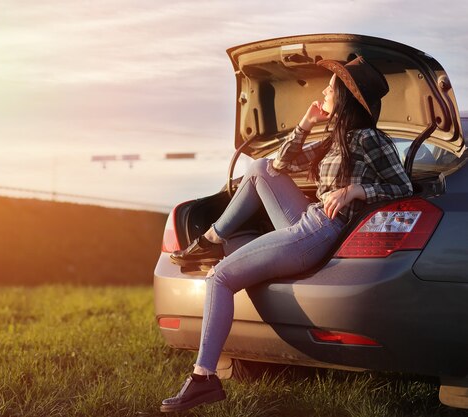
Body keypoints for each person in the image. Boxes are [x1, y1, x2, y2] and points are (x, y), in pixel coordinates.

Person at [160, 56, 413, 413]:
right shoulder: (336, 136)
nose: (323, 91)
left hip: (320, 232)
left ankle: (203, 379)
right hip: (305, 221)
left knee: (219, 277)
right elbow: (280, 165)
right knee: (260, 167)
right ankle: (215, 238)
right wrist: (307, 123)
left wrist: (358, 191)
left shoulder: (372, 139)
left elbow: (403, 188)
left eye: (331, 87)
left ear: (345, 97)